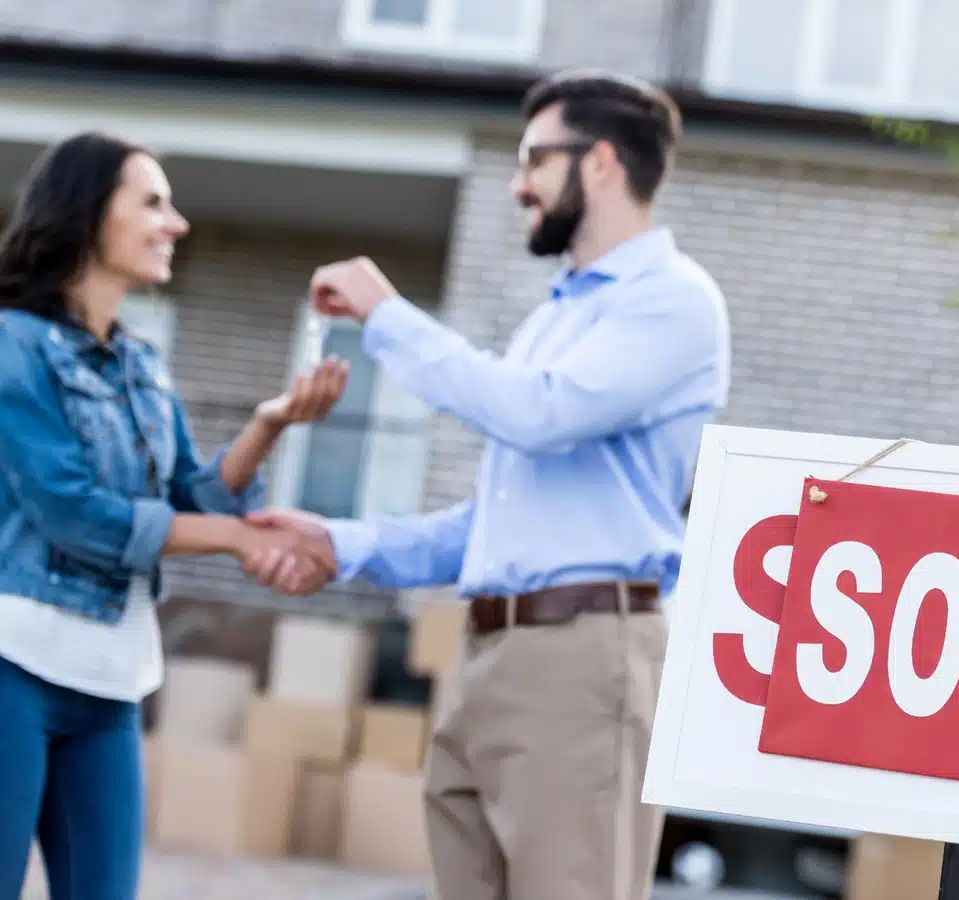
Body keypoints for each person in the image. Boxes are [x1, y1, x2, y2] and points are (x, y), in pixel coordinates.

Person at [245, 69, 731, 900]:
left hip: (585, 660)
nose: (518, 185)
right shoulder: (555, 319)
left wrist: (387, 316)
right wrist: (347, 543)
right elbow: (506, 523)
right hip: (488, 657)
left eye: (535, 160)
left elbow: (535, 414)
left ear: (603, 163)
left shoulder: (674, 304)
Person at [0, 131, 343, 900]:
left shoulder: (141, 364)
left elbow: (190, 495)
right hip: (11, 666)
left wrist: (271, 424)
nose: (176, 223)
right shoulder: (10, 345)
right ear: (89, 216)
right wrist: (234, 539)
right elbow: (72, 513)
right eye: (153, 202)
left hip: (111, 677)